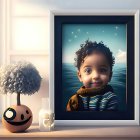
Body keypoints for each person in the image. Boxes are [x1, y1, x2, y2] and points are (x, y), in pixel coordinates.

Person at [66, 40, 118, 111]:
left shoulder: (110, 99)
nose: (95, 76)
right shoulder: (74, 100)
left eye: (102, 70)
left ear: (110, 76)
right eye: (88, 70)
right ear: (80, 76)